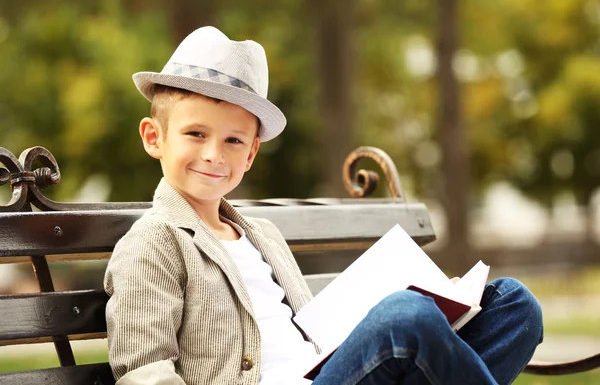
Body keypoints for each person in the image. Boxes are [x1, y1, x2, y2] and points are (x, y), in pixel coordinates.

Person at [104, 26, 543, 385]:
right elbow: (145, 371)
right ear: (154, 137)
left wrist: (438, 301)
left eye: (233, 140)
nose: (214, 154)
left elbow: (316, 335)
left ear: (251, 154)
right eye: (196, 134)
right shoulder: (153, 243)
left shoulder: (263, 236)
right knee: (406, 316)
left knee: (513, 306)